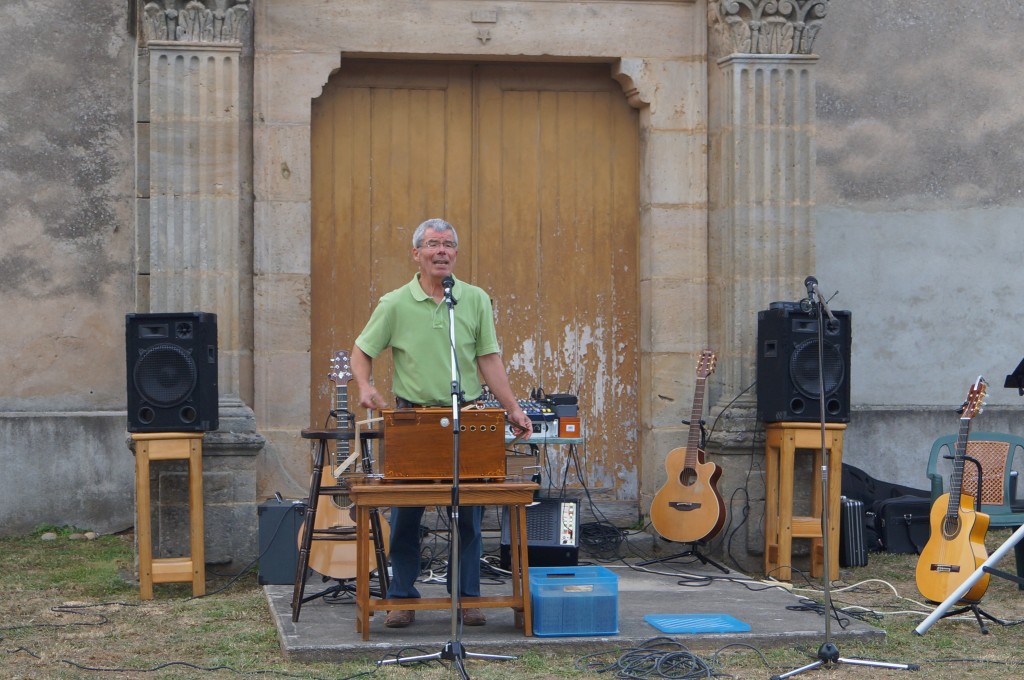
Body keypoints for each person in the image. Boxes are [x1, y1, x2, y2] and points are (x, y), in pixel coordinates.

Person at [351, 217, 533, 629]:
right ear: (416, 254)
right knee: (405, 516)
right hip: (413, 418)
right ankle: (401, 597)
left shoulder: (474, 299)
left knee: (468, 513)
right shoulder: (394, 303)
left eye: (449, 244)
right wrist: (364, 384)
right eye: (433, 244)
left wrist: (512, 408)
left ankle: (468, 596)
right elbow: (362, 350)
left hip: (466, 415)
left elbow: (489, 359)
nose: (442, 251)